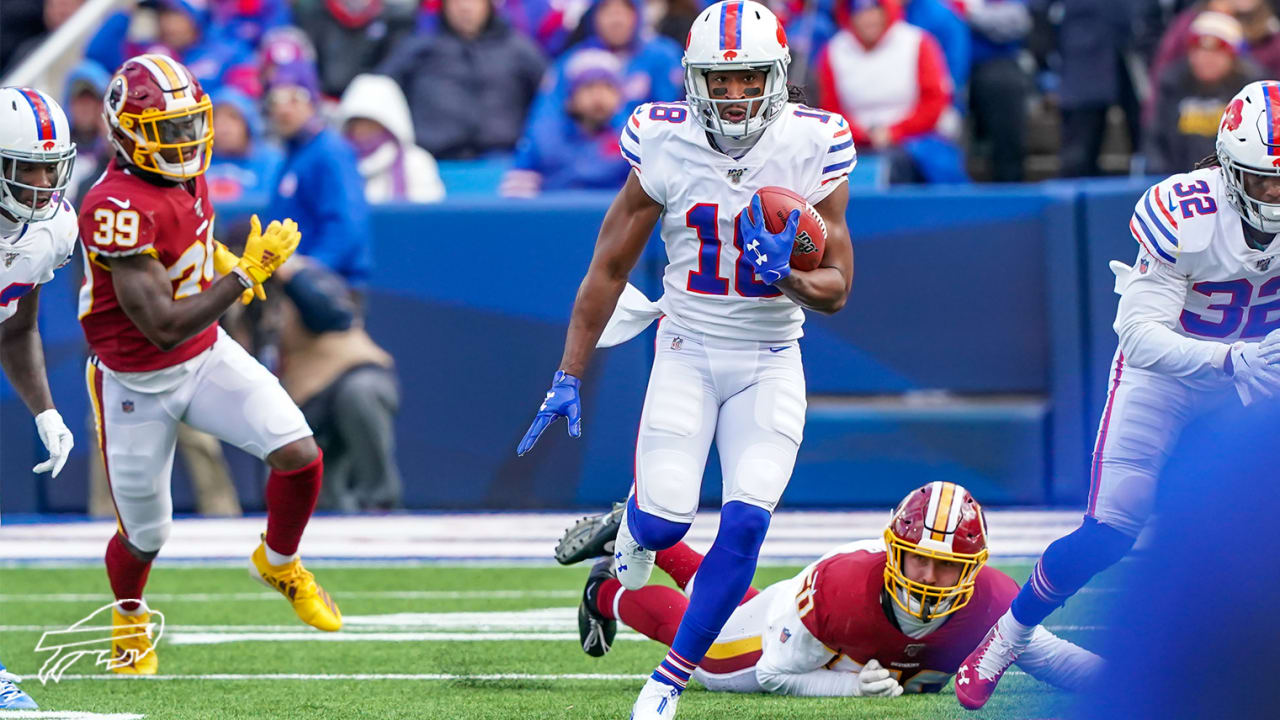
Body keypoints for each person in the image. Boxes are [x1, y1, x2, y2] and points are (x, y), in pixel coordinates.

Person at [514, 3, 856, 717]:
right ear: (694, 81)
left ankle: (665, 683)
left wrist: (787, 276)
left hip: (769, 354)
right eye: (719, 81)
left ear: (777, 77)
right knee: (667, 523)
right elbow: (608, 268)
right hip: (687, 348)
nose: (734, 96)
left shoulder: (811, 142)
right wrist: (568, 371)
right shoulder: (663, 140)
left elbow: (839, 287)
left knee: (746, 523)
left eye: (749, 78)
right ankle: (632, 528)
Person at [955, 80, 1280, 709]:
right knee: (1111, 529)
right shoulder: (1186, 211)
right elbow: (1139, 334)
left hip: (1258, 377)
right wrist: (1229, 358)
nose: (1275, 193)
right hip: (1169, 375)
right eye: (1263, 178)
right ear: (1229, 165)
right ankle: (1007, 637)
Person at [78, 54, 343, 675]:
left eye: (188, 124)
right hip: (135, 377)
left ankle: (278, 563)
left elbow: (190, 242)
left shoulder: (186, 177)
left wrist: (221, 259)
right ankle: (129, 621)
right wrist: (246, 274)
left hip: (205, 355)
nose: (184, 140)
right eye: (166, 130)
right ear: (125, 133)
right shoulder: (114, 204)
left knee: (299, 455)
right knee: (146, 535)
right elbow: (162, 326)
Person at [559, 483, 1103, 698]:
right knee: (705, 654)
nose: (930, 580)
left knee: (735, 606)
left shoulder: (991, 602)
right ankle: (604, 591)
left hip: (812, 625)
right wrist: (851, 691)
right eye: (920, 561)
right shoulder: (847, 589)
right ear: (895, 553)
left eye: (947, 566)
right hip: (799, 627)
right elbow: (774, 672)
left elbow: (1056, 659)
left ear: (974, 568)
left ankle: (644, 540)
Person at [0, 86, 81, 711]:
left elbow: (18, 326)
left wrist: (45, 410)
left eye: (52, 167)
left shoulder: (52, 227)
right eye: (28, 166)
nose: (44, 182)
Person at [814, 0, 966, 183]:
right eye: (860, 12)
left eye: (874, 10)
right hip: (852, 141)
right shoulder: (833, 51)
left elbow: (934, 102)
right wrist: (862, 135)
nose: (868, 19)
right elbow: (830, 108)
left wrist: (894, 132)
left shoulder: (918, 42)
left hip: (913, 139)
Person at [377, 0, 547, 158]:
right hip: (430, 165)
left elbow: (551, 99)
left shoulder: (519, 50)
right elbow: (376, 94)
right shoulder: (417, 48)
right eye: (456, 1)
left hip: (504, 163)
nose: (465, 7)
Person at [266, 61, 373, 286]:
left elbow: (346, 223)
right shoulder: (292, 154)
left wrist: (311, 268)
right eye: (276, 100)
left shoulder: (330, 152)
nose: (283, 109)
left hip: (331, 289)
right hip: (293, 286)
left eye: (294, 99)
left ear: (313, 103)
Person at [500, 49, 632, 196]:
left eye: (608, 87)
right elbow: (517, 197)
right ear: (570, 97)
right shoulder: (542, 137)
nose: (599, 96)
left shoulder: (632, 141)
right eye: (589, 87)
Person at [1145, 12, 1263, 176]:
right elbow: (1156, 143)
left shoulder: (1253, 91)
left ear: (1233, 56)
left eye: (1217, 51)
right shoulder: (1172, 84)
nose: (1205, 58)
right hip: (1178, 181)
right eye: (1198, 50)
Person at [337, 74, 446, 204]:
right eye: (357, 123)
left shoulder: (415, 162)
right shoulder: (336, 161)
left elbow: (427, 212)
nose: (362, 131)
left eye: (371, 124)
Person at [206, 88, 285, 205]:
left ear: (248, 124)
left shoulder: (271, 161)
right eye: (215, 118)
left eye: (233, 117)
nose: (223, 125)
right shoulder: (196, 163)